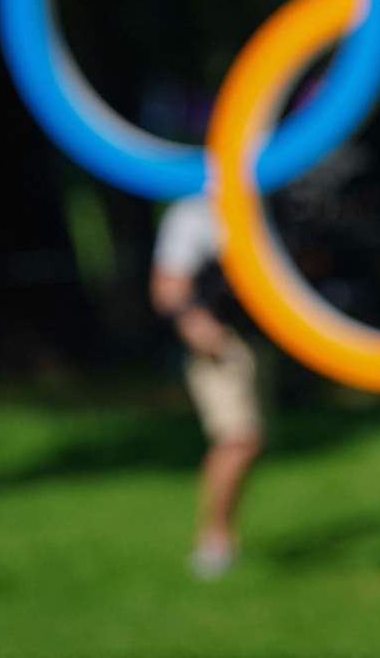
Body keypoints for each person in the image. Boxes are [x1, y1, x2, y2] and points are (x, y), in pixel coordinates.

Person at [150, 194, 263, 579]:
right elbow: (167, 284)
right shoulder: (195, 212)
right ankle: (213, 543)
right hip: (220, 343)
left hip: (261, 336)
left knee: (250, 440)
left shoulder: (267, 200)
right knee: (238, 439)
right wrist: (195, 327)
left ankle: (223, 536)